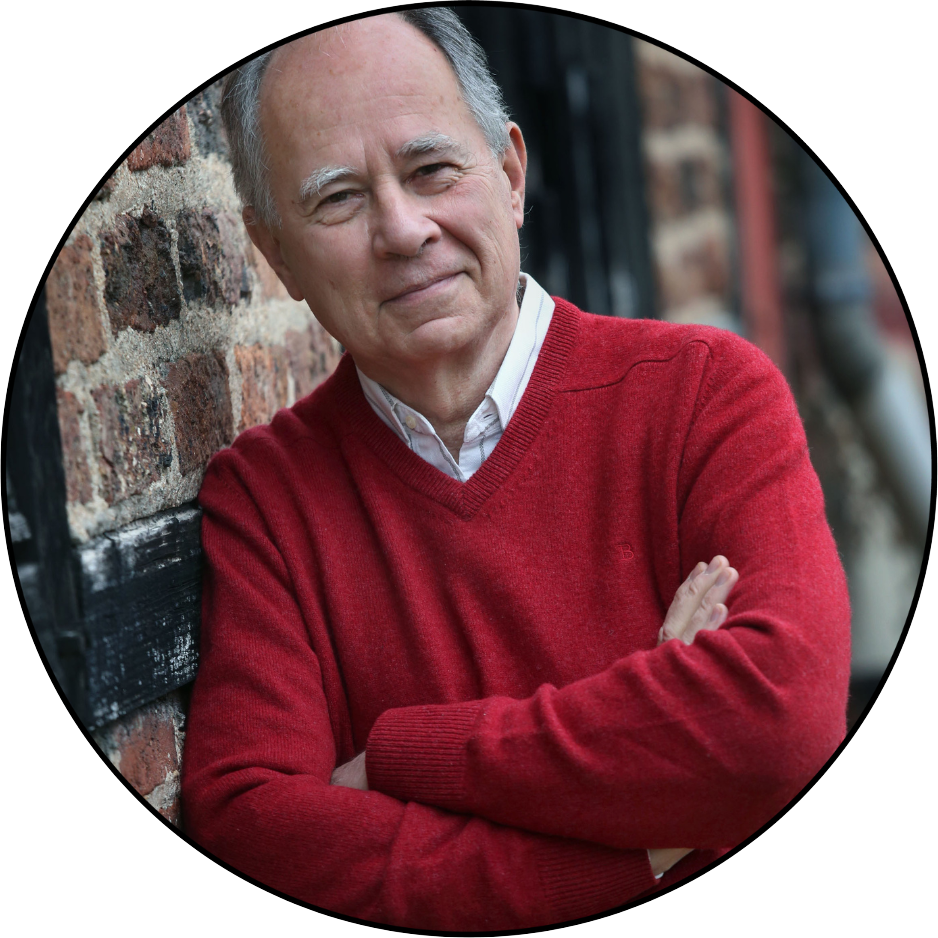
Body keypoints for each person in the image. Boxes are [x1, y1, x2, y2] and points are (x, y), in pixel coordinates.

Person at [181, 9, 851, 928]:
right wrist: (655, 840)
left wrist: (400, 759)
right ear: (276, 255)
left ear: (510, 174)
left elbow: (778, 731)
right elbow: (256, 840)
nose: (403, 229)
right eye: (337, 198)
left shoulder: (706, 395)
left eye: (432, 169)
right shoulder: (266, 502)